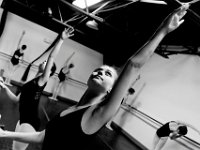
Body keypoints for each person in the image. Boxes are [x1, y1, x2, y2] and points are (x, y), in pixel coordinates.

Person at [0, 4, 189, 150]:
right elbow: (43, 137)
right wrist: (4, 134)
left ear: (110, 89)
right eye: (98, 70)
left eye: (107, 73)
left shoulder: (98, 113)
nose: (100, 72)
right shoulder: (73, 108)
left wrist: (163, 31)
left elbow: (133, 65)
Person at [0, 28, 74, 150]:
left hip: (30, 123)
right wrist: (4, 87)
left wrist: (61, 39)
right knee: (14, 147)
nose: (44, 62)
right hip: (22, 120)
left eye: (46, 63)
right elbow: (16, 100)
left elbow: (51, 57)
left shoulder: (43, 80)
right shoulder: (33, 81)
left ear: (49, 72)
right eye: (44, 62)